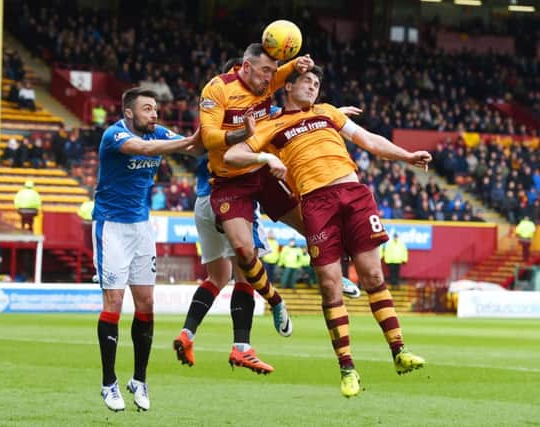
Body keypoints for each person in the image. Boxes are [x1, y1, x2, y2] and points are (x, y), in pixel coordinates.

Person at [224, 65, 430, 398]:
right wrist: (264, 158)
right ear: (287, 87)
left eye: (317, 83)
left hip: (354, 193)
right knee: (331, 287)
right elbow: (233, 154)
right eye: (306, 81)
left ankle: (399, 351)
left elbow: (368, 140)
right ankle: (347, 369)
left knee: (373, 276)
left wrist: (406, 156)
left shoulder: (328, 112)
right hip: (316, 203)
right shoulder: (270, 125)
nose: (313, 87)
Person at [92, 88, 200, 412]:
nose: (154, 114)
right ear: (129, 113)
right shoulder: (115, 135)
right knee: (114, 301)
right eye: (147, 109)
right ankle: (108, 382)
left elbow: (197, 147)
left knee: (147, 302)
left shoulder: (160, 133)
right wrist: (187, 141)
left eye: (155, 109)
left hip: (141, 228)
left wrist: (236, 134)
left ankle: (139, 379)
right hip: (111, 227)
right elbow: (143, 148)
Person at [200, 43, 315, 338]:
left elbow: (292, 79)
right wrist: (242, 134)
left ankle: (338, 276)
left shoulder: (268, 80)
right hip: (229, 179)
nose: (270, 78)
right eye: (265, 71)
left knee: (312, 225)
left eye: (273, 72)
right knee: (243, 250)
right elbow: (209, 137)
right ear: (245, 67)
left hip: (262, 173)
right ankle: (276, 301)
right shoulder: (217, 90)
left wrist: (300, 63)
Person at [173, 154, 277, 374]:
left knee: (218, 277)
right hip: (233, 198)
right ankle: (242, 347)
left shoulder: (211, 122)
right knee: (245, 274)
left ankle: (187, 334)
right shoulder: (244, 123)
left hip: (203, 201)